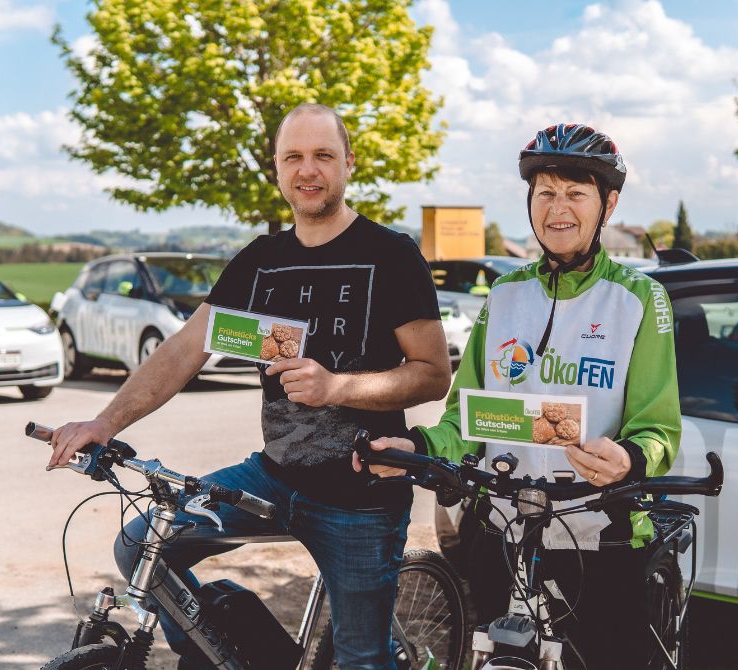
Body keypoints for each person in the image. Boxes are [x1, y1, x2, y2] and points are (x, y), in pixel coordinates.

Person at [48, 103, 452, 670]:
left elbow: (434, 375)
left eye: (322, 156)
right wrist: (104, 422)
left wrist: (337, 387)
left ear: (349, 164)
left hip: (363, 496)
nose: (307, 170)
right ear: (277, 169)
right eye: (293, 157)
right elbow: (186, 348)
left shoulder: (390, 254)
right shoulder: (261, 260)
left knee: (362, 658)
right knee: (141, 543)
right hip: (271, 478)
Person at [357, 123, 681, 669]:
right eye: (546, 192)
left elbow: (659, 429)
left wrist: (628, 459)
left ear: (609, 203)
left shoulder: (640, 298)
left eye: (577, 193)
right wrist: (420, 447)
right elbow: (467, 418)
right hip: (504, 531)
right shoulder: (505, 295)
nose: (559, 207)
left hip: (602, 533)